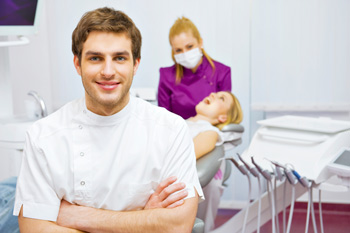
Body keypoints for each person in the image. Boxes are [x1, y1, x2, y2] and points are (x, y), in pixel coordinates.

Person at [13, 7, 203, 233]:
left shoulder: (170, 130)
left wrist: (80, 217)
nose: (108, 71)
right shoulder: (43, 136)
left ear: (135, 64)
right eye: (95, 58)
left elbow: (178, 225)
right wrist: (142, 219)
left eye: (120, 58)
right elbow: (33, 228)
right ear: (77, 64)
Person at [187, 91, 243, 232]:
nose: (212, 94)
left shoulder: (209, 132)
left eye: (221, 98)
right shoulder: (180, 123)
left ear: (223, 117)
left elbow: (180, 158)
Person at [158, 16, 232, 120]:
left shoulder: (222, 73)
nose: (185, 53)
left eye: (189, 47)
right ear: (173, 51)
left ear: (200, 42)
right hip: (177, 134)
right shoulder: (167, 76)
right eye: (178, 50)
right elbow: (163, 119)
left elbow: (225, 114)